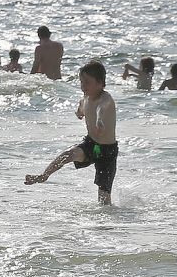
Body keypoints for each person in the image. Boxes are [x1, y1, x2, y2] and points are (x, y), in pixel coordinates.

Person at [24, 61, 118, 205]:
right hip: (91, 144)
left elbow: (101, 109)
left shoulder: (106, 98)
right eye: (81, 82)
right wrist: (79, 113)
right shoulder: (84, 100)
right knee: (68, 154)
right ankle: (44, 175)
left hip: (107, 151)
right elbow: (81, 110)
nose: (83, 86)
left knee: (103, 200)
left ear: (100, 83)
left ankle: (106, 224)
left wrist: (99, 121)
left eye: (87, 82)